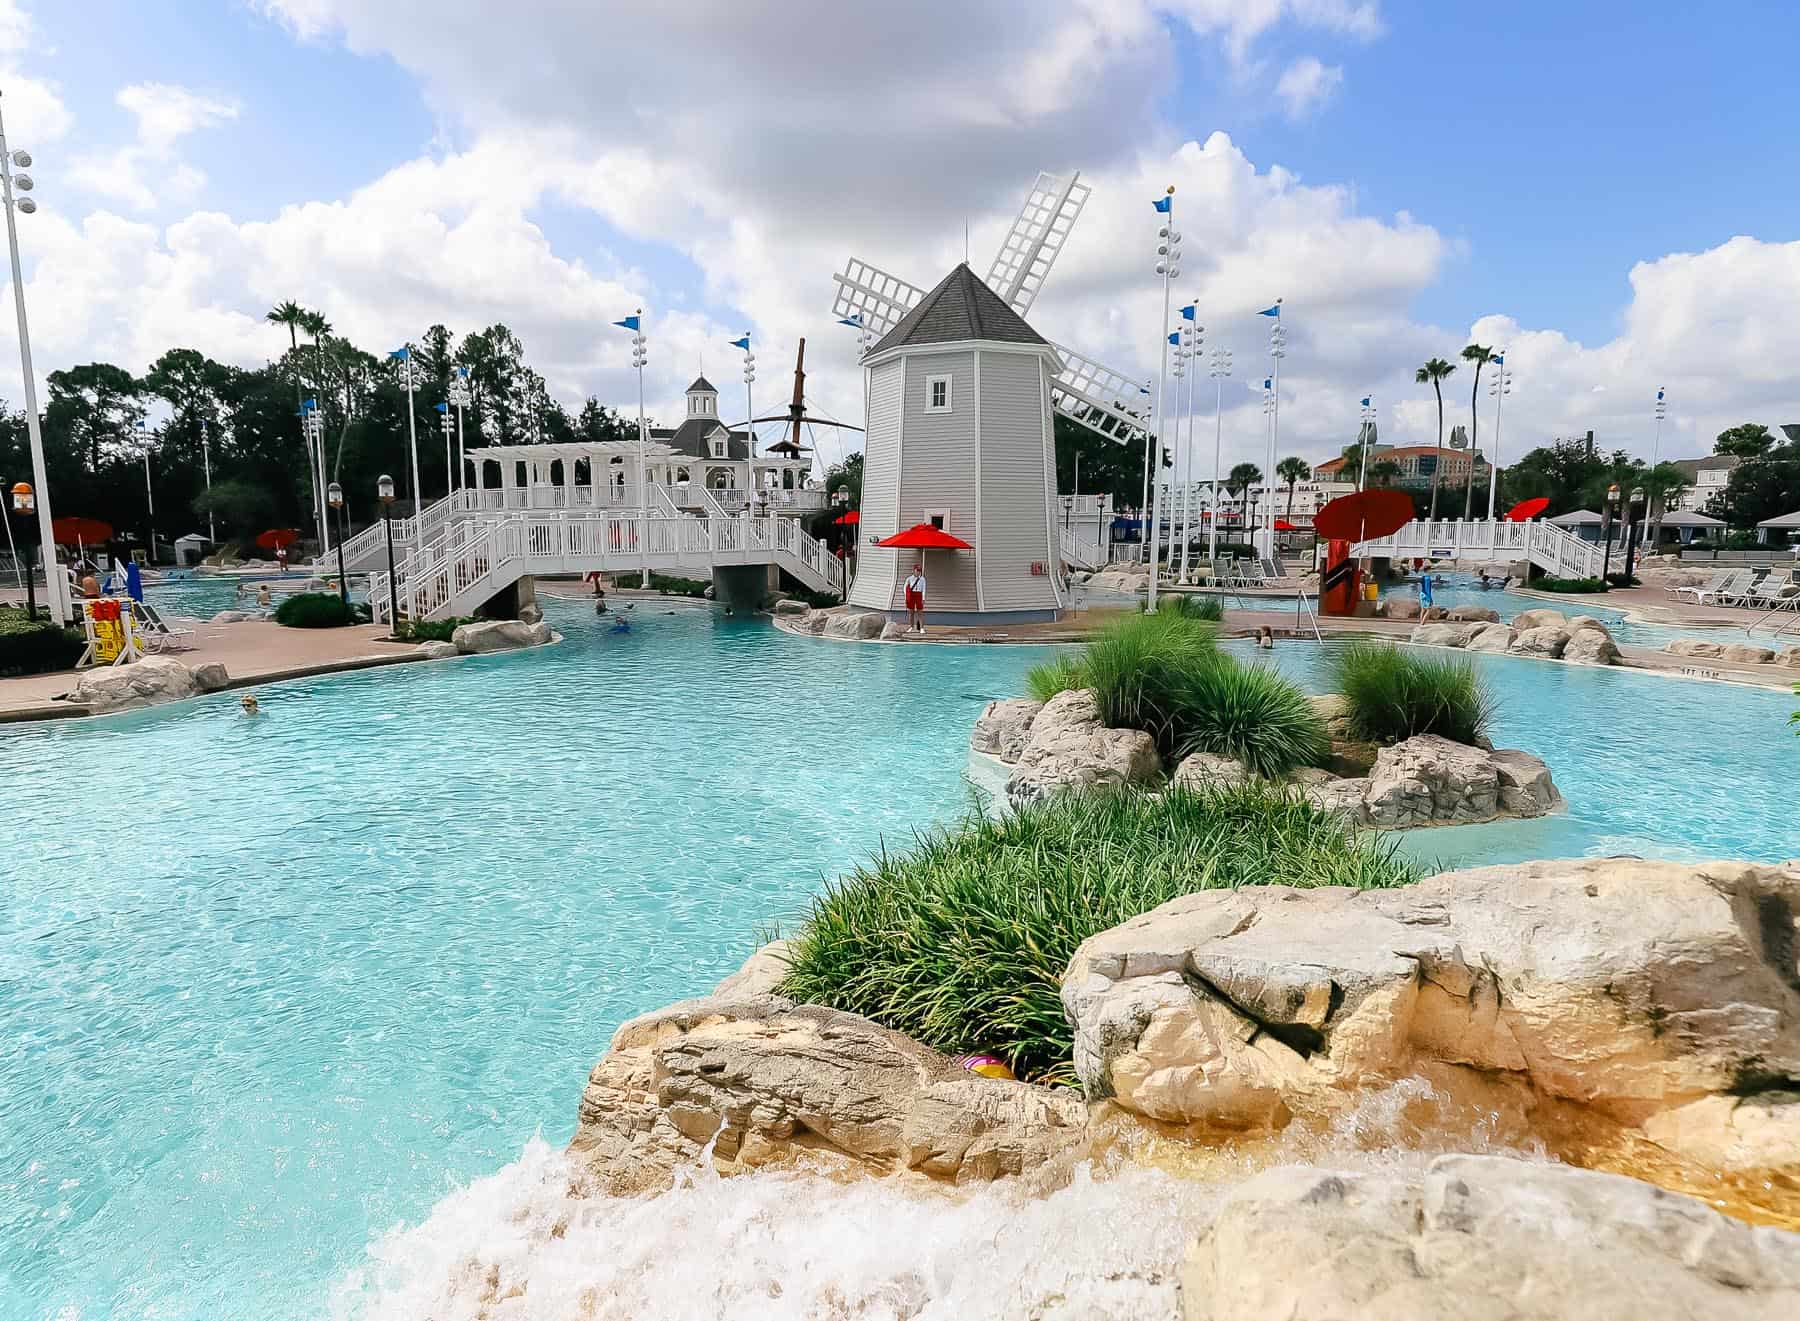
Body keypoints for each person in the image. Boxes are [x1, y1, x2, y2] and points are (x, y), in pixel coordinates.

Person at [903, 562, 927, 634]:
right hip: (912, 595)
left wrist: (923, 598)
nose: (918, 572)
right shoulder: (909, 578)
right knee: (911, 612)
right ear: (914, 570)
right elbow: (905, 587)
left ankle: (922, 628)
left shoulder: (922, 579)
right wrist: (906, 595)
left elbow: (924, 589)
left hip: (919, 595)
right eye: (917, 570)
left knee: (920, 612)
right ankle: (911, 627)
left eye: (919, 570)